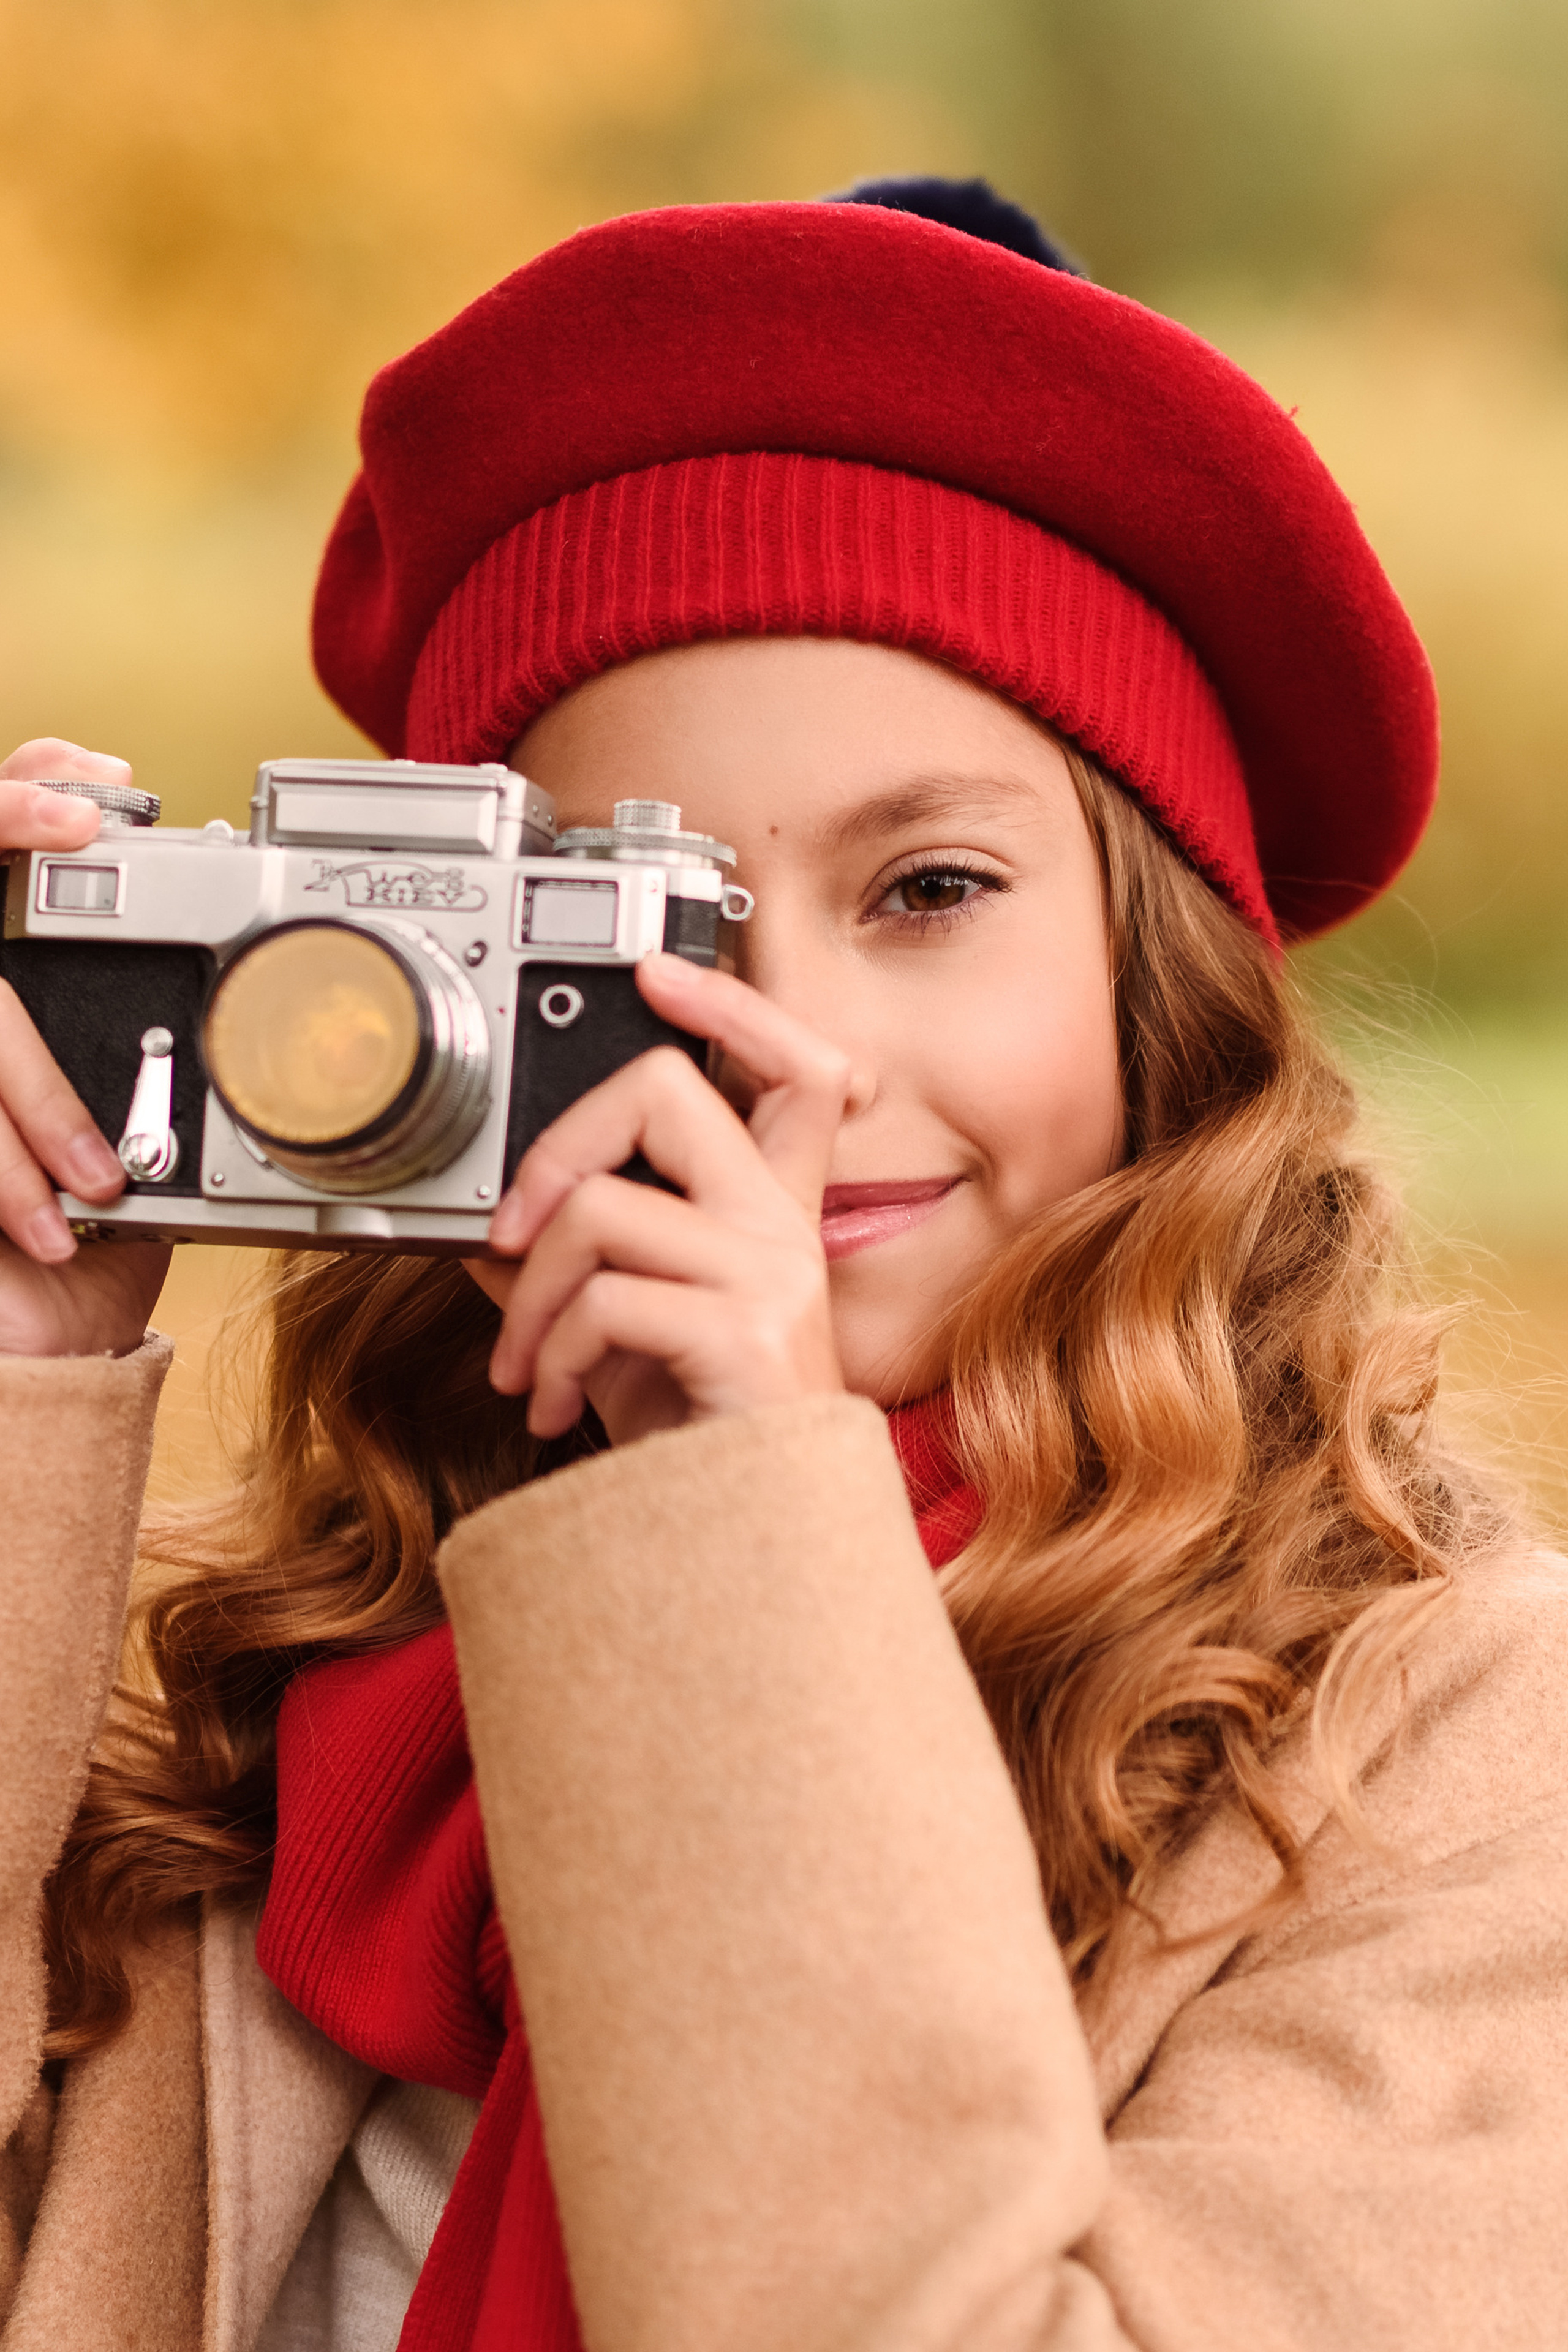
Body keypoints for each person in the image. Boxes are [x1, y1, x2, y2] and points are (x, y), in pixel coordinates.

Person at [0, 178, 1563, 2351]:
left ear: (1160, 982)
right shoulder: (301, 1733)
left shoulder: (1463, 1751)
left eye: (927, 885)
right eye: (650, 935)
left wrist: (728, 1520)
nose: (791, 1052)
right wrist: (18, 1382)